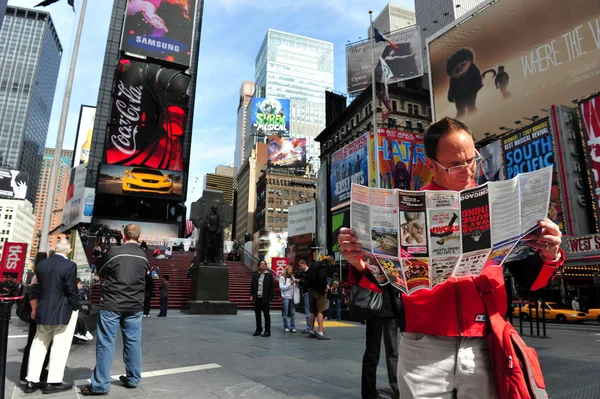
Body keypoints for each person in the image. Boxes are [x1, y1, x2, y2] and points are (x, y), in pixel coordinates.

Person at [338, 116, 564, 398]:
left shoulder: (497, 204)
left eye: (472, 159)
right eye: (455, 164)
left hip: (486, 342)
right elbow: (386, 283)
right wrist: (363, 264)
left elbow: (532, 281)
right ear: (431, 165)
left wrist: (549, 253)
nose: (468, 170)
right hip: (423, 348)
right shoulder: (406, 210)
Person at [81, 224, 149, 396]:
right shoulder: (144, 256)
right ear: (139, 237)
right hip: (134, 306)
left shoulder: (114, 252)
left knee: (106, 343)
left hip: (112, 303)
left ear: (124, 236)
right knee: (133, 342)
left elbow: (100, 271)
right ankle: (133, 378)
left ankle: (100, 385)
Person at [24, 239, 79, 394]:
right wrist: (76, 306)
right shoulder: (70, 265)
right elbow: (71, 289)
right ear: (68, 250)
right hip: (63, 310)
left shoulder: (42, 265)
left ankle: (31, 380)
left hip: (43, 309)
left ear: (55, 248)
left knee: (39, 344)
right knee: (60, 345)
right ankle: (53, 382)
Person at [19, 276, 51, 386]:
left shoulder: (44, 269)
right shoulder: (42, 271)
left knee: (37, 343)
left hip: (41, 312)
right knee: (36, 343)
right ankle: (29, 374)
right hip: (39, 314)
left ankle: (36, 372)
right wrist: (34, 309)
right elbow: (33, 289)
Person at [304, 256, 333, 340]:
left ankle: (311, 331)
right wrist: (325, 286)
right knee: (320, 311)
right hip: (319, 291)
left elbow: (307, 276)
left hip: (311, 290)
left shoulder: (314, 264)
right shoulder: (324, 266)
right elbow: (322, 277)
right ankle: (320, 332)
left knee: (312, 311)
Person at [250, 260, 274, 337]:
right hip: (257, 298)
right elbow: (252, 286)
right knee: (257, 315)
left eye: (264, 264)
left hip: (265, 298)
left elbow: (271, 287)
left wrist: (270, 298)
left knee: (266, 315)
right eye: (261, 264)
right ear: (259, 266)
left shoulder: (269, 275)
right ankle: (258, 330)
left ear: (266, 266)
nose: (263, 265)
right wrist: (252, 295)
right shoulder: (256, 275)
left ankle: (267, 331)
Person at [279, 266, 296, 333]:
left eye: (291, 269)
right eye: (289, 269)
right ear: (286, 270)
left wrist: (296, 283)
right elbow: (281, 287)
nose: (290, 271)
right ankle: (286, 326)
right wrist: (289, 285)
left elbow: (294, 286)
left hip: (292, 296)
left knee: (293, 313)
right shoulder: (282, 277)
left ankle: (292, 326)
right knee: (285, 313)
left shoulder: (292, 277)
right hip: (285, 297)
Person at [296, 260, 311, 334]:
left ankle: (309, 328)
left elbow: (306, 283)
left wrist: (299, 281)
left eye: (300, 266)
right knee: (310, 312)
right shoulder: (307, 272)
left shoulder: (308, 272)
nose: (300, 268)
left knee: (308, 312)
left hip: (307, 293)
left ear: (303, 264)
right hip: (309, 293)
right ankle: (310, 328)